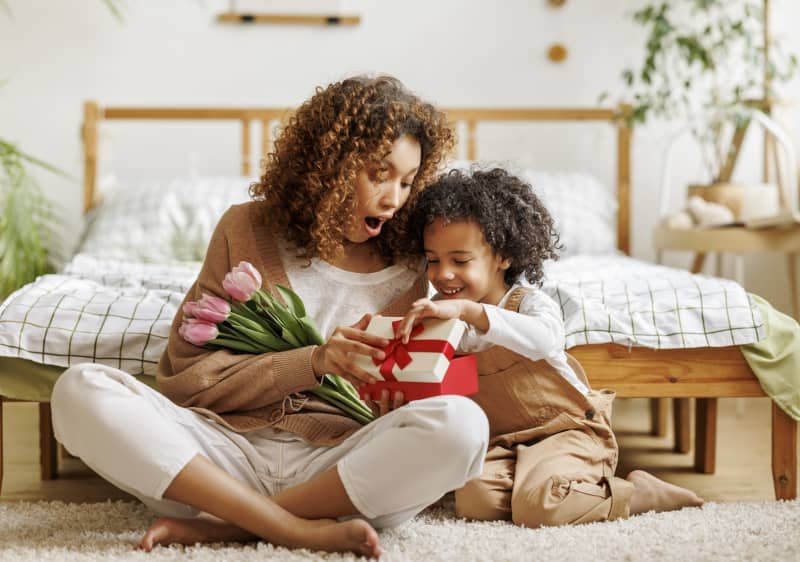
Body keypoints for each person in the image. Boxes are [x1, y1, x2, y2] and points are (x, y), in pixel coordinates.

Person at [50, 75, 490, 558]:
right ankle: (294, 528)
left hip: (339, 469)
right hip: (221, 453)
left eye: (407, 181)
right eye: (378, 174)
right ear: (331, 165)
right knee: (80, 389)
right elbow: (186, 381)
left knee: (465, 425)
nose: (394, 198)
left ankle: (233, 524)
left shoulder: (413, 261)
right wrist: (314, 361)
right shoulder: (247, 229)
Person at [396, 167, 704, 527]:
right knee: (473, 499)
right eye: (433, 260)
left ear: (503, 257)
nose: (443, 274)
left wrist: (472, 311)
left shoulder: (529, 303)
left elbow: (545, 339)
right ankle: (548, 487)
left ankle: (636, 494)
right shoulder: (450, 324)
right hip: (507, 442)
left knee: (539, 506)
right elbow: (451, 387)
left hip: (566, 429)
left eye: (460, 261)